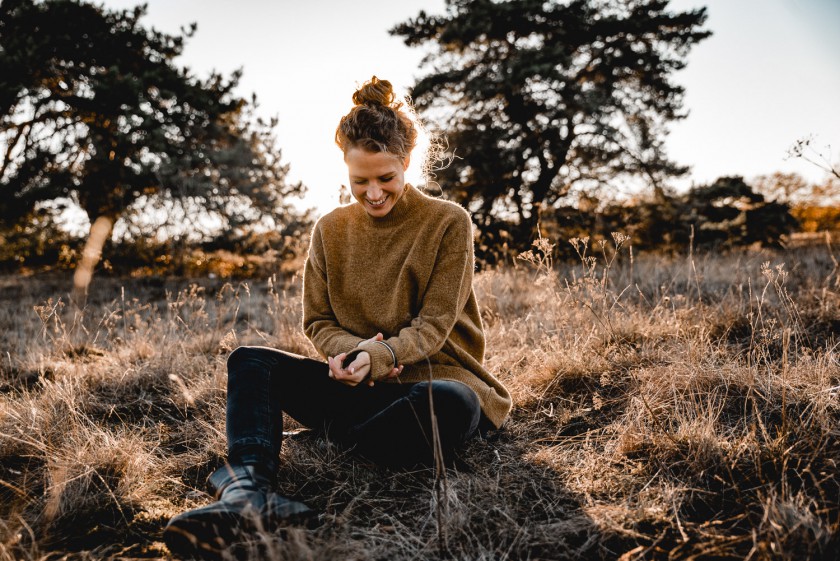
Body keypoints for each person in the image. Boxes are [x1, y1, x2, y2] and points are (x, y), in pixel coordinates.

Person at [163, 76, 513, 558]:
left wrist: (380, 353)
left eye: (385, 178)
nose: (372, 193)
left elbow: (435, 326)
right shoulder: (329, 229)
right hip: (358, 392)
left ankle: (331, 443)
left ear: (406, 163)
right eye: (359, 181)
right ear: (345, 169)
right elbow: (318, 322)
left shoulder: (448, 221)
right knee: (250, 361)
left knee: (453, 402)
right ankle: (247, 490)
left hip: (428, 386)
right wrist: (347, 358)